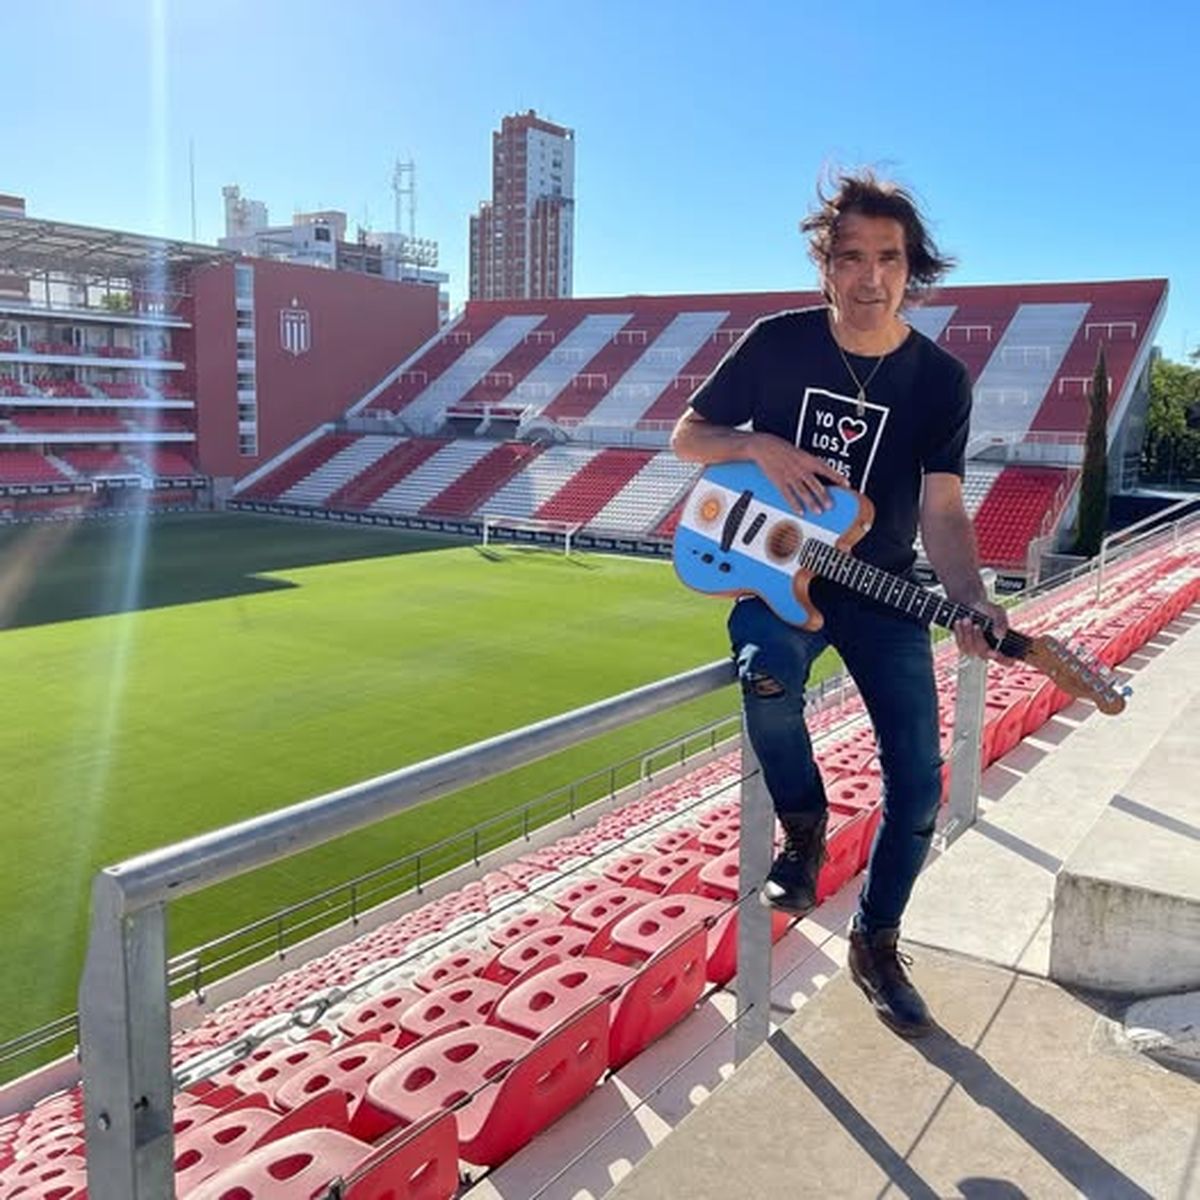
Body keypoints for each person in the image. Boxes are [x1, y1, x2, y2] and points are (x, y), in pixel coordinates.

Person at [671, 169, 1007, 1037]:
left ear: (911, 269)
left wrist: (969, 598)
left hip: (882, 586)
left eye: (888, 258)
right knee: (767, 675)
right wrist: (759, 445)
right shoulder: (777, 342)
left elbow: (942, 506)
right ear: (825, 266)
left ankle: (876, 940)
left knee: (919, 788)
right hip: (776, 572)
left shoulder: (940, 380)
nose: (869, 276)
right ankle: (805, 825)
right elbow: (688, 437)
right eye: (850, 257)